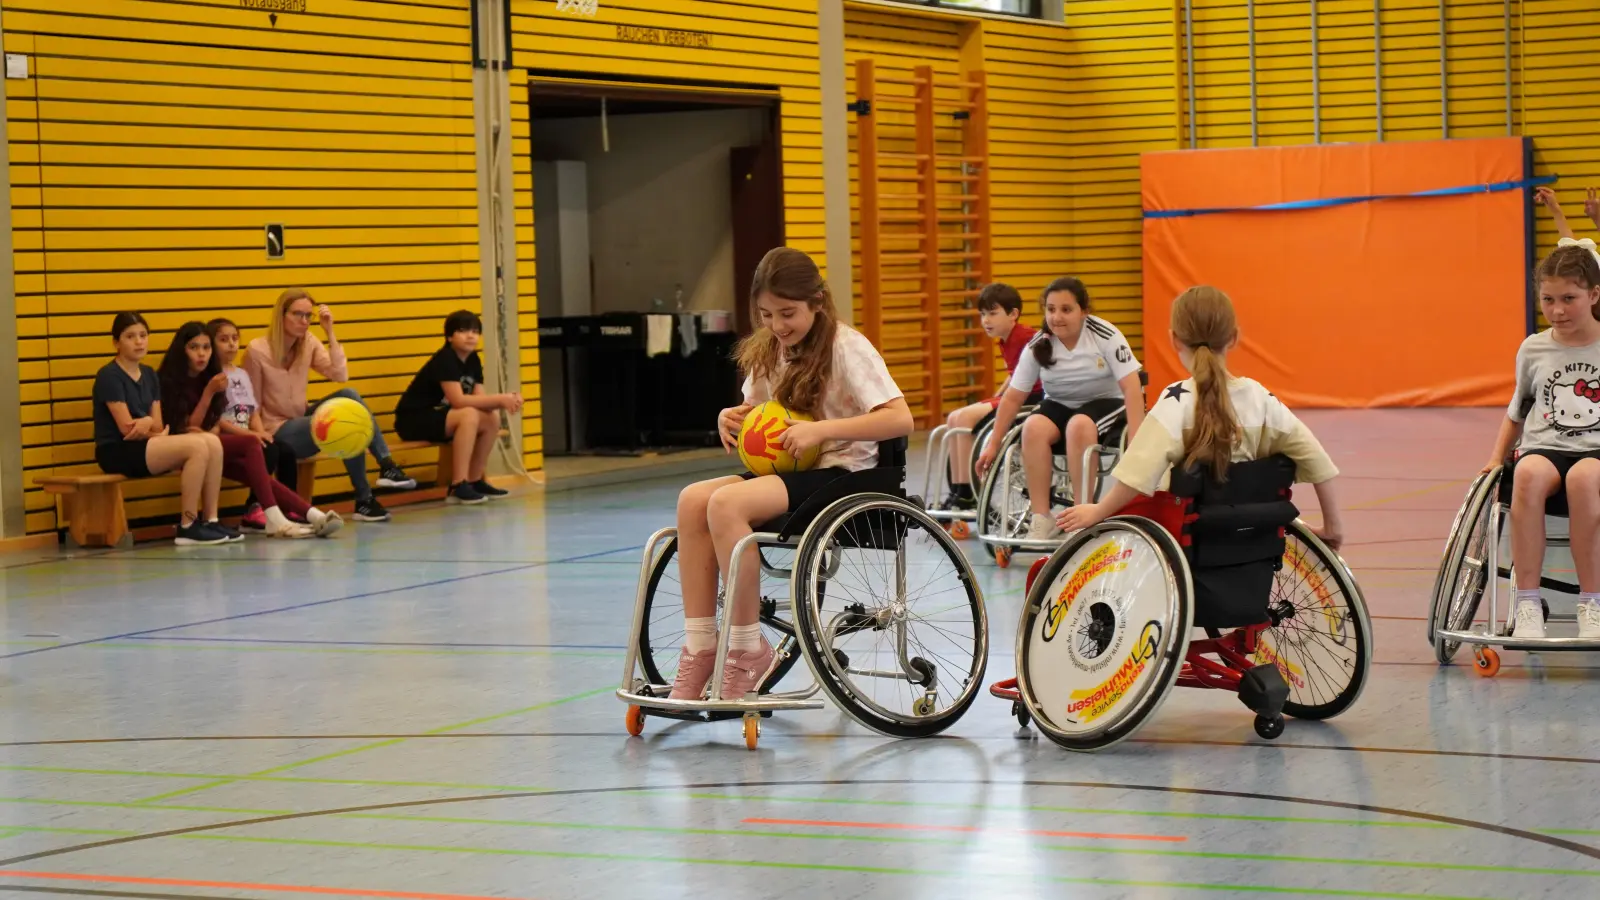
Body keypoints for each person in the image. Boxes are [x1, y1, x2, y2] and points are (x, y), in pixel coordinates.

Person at [670, 247, 913, 701]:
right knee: (692, 500)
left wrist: (822, 430)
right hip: (791, 472)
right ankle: (701, 646)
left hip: (846, 474)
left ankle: (748, 648)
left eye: (787, 313)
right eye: (766, 315)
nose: (778, 325)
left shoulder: (847, 346)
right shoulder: (770, 349)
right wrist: (731, 417)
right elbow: (757, 412)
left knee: (726, 505)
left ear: (817, 302)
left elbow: (901, 419)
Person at [1057, 284, 1343, 544]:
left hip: (1188, 541)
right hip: (1253, 543)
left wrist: (1098, 511)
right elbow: (1317, 460)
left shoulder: (1174, 403)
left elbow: (1135, 476)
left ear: (1174, 339)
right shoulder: (1261, 400)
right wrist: (1332, 528)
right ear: (1234, 337)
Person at [1483, 244, 1600, 639]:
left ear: (1593, 295)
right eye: (1548, 300)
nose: (1557, 310)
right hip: (1546, 447)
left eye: (1569, 299)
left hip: (1596, 451)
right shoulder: (1534, 347)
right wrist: (1495, 459)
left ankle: (1592, 603)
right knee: (1528, 474)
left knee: (1584, 478)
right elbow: (1517, 410)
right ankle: (1528, 602)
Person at [975, 277, 1146, 541]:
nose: (1057, 317)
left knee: (1079, 425)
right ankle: (1041, 518)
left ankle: (1082, 515)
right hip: (1060, 402)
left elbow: (1132, 388)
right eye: (1051, 309)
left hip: (1107, 402)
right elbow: (1012, 398)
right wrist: (993, 443)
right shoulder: (1038, 344)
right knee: (1032, 427)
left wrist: (1136, 437)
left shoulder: (1105, 335)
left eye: (1066, 309)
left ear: (1083, 311)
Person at [158, 321, 343, 540]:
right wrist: (208, 395)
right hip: (185, 448)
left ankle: (314, 515)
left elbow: (213, 421)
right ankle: (275, 518)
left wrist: (212, 424)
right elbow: (188, 427)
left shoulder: (211, 376)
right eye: (194, 347)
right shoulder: (172, 381)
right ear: (182, 350)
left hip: (211, 445)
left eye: (206, 347)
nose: (201, 354)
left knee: (261, 476)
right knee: (251, 443)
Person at [242, 289, 415, 522]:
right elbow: (250, 402)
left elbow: (339, 374)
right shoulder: (257, 350)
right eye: (298, 314)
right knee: (343, 420)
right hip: (276, 430)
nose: (304, 321)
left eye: (308, 316)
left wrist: (329, 331)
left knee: (349, 399)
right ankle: (364, 498)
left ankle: (386, 465)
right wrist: (259, 435)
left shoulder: (308, 342)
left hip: (301, 421)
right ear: (281, 315)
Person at [91, 312, 233, 546]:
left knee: (212, 442)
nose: (139, 342)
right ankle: (188, 525)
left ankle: (211, 520)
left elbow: (157, 424)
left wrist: (148, 424)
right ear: (116, 342)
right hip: (117, 450)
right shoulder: (109, 376)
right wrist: (150, 426)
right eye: (130, 336)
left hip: (147, 444)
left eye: (143, 335)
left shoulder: (149, 374)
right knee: (197, 446)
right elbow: (127, 429)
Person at [394, 310, 522, 505]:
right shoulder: (445, 359)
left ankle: (474, 480)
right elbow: (458, 401)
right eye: (463, 331)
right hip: (414, 420)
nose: (470, 336)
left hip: (442, 417)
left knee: (491, 418)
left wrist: (507, 399)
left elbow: (480, 399)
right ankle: (458, 484)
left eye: (475, 331)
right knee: (468, 415)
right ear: (449, 337)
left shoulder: (473, 359)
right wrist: (500, 398)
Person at [937, 282, 1040, 511]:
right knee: (954, 418)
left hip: (1032, 398)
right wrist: (998, 396)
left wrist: (1001, 401)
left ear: (1013, 314)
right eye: (983, 314)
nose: (986, 320)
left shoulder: (1026, 337)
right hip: (1018, 394)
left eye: (992, 314)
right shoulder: (1007, 338)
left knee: (964, 418)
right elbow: (1016, 373)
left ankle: (966, 493)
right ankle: (958, 489)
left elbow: (1030, 376)